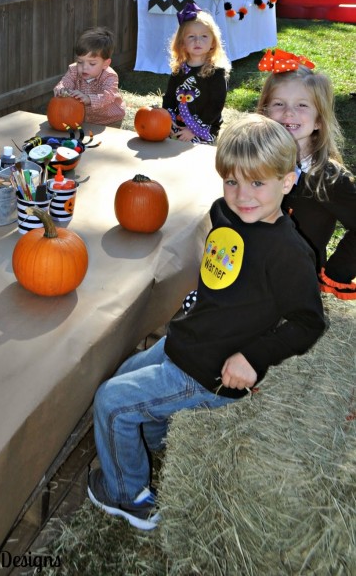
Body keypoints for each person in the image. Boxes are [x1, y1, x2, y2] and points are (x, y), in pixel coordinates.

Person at [87, 114, 325, 530]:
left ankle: (129, 496)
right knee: (126, 374)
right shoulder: (225, 213)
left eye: (258, 183)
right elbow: (225, 276)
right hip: (188, 340)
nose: (242, 195)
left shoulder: (289, 253)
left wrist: (253, 357)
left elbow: (309, 321)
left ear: (287, 183)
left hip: (209, 370)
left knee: (111, 400)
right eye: (232, 181)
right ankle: (156, 441)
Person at [256, 49, 356, 300]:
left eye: (302, 105)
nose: (289, 113)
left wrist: (336, 272)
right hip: (253, 267)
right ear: (265, 112)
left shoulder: (330, 178)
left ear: (319, 120)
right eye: (279, 104)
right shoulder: (257, 158)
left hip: (293, 281)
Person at [162, 2, 231, 144]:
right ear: (182, 44)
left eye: (204, 36)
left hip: (205, 126)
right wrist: (167, 118)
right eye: (191, 37)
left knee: (193, 149)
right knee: (164, 142)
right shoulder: (179, 70)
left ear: (213, 42)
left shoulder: (216, 72)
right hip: (179, 123)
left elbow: (215, 106)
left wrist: (193, 130)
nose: (197, 41)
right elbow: (169, 97)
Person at [53, 26, 126, 126]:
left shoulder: (110, 76)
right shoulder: (74, 70)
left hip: (109, 120)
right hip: (83, 118)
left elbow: (108, 96)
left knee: (106, 141)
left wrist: (89, 99)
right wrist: (61, 90)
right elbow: (66, 81)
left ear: (105, 63)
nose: (84, 68)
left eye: (92, 63)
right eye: (80, 62)